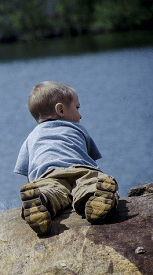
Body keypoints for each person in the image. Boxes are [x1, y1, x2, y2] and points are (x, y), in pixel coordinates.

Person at [14, 81, 119, 236]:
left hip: (48, 175)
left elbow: (26, 171)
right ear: (61, 110)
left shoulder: (31, 137)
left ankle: (42, 201)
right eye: (77, 108)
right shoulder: (77, 128)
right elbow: (92, 160)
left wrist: (36, 187)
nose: (80, 115)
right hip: (82, 169)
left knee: (51, 192)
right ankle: (95, 197)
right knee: (91, 183)